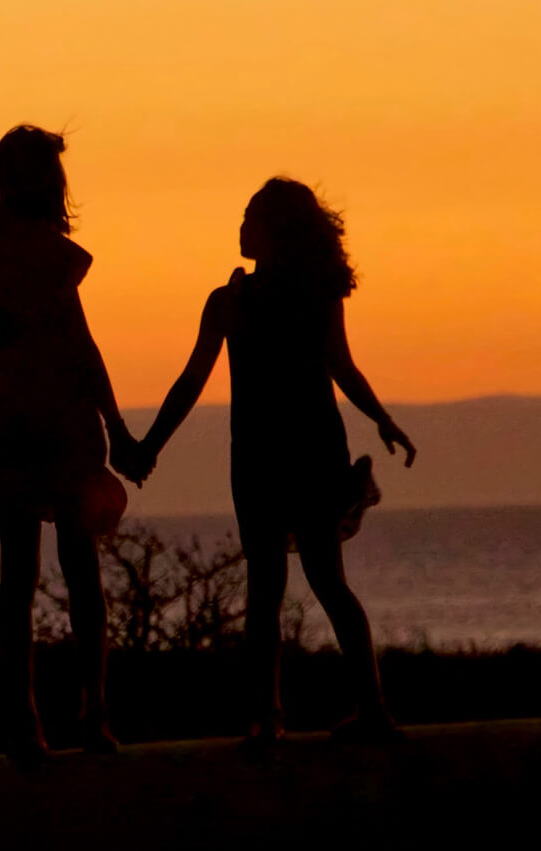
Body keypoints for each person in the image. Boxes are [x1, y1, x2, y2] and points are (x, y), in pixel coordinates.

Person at [131, 177, 417, 745]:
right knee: (324, 583)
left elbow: (193, 382)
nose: (239, 228)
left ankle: (273, 716)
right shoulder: (294, 296)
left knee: (270, 588)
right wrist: (381, 418)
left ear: (273, 231)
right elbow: (342, 367)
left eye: (249, 219)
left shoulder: (234, 300)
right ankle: (363, 707)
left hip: (267, 455)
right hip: (307, 450)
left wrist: (149, 447)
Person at [0, 125, 138, 763]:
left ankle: (29, 722)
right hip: (59, 417)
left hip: (8, 416)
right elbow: (81, 350)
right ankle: (90, 714)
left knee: (22, 573)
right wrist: (116, 427)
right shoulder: (53, 253)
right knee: (78, 569)